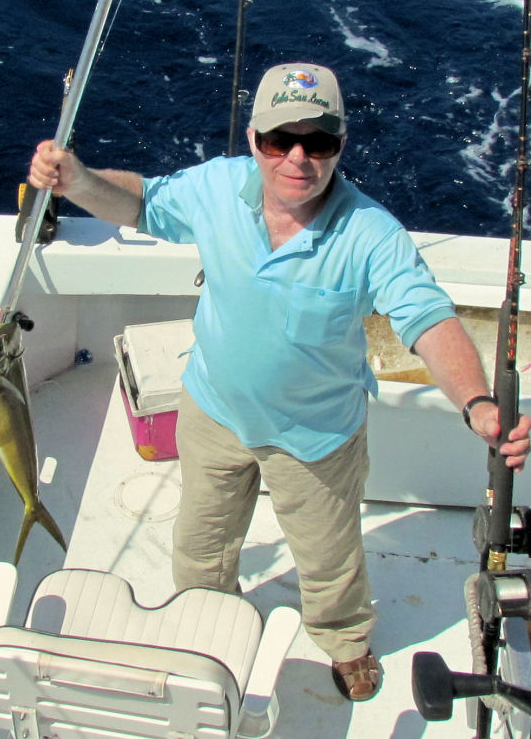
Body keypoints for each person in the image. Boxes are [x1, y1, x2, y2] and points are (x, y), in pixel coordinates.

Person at [29, 62, 531, 702]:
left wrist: (478, 403)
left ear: (340, 146)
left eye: (317, 141)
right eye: (280, 140)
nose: (298, 157)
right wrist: (78, 181)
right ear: (253, 139)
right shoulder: (216, 188)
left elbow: (427, 318)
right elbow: (144, 201)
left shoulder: (370, 232)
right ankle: (205, 621)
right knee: (200, 542)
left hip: (315, 437)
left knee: (328, 558)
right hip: (212, 411)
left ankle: (345, 641)